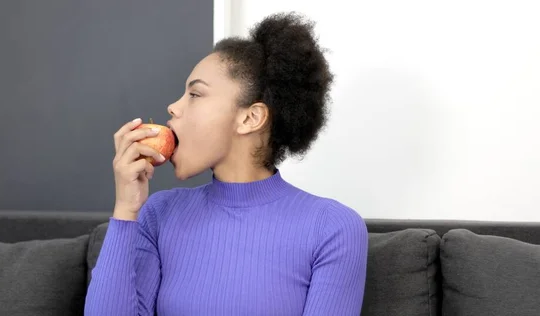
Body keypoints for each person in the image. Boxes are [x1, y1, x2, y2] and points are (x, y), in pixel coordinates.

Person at [84, 12, 368, 316]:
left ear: (250, 118)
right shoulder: (158, 214)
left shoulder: (333, 228)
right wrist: (126, 210)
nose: (173, 107)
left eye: (195, 94)